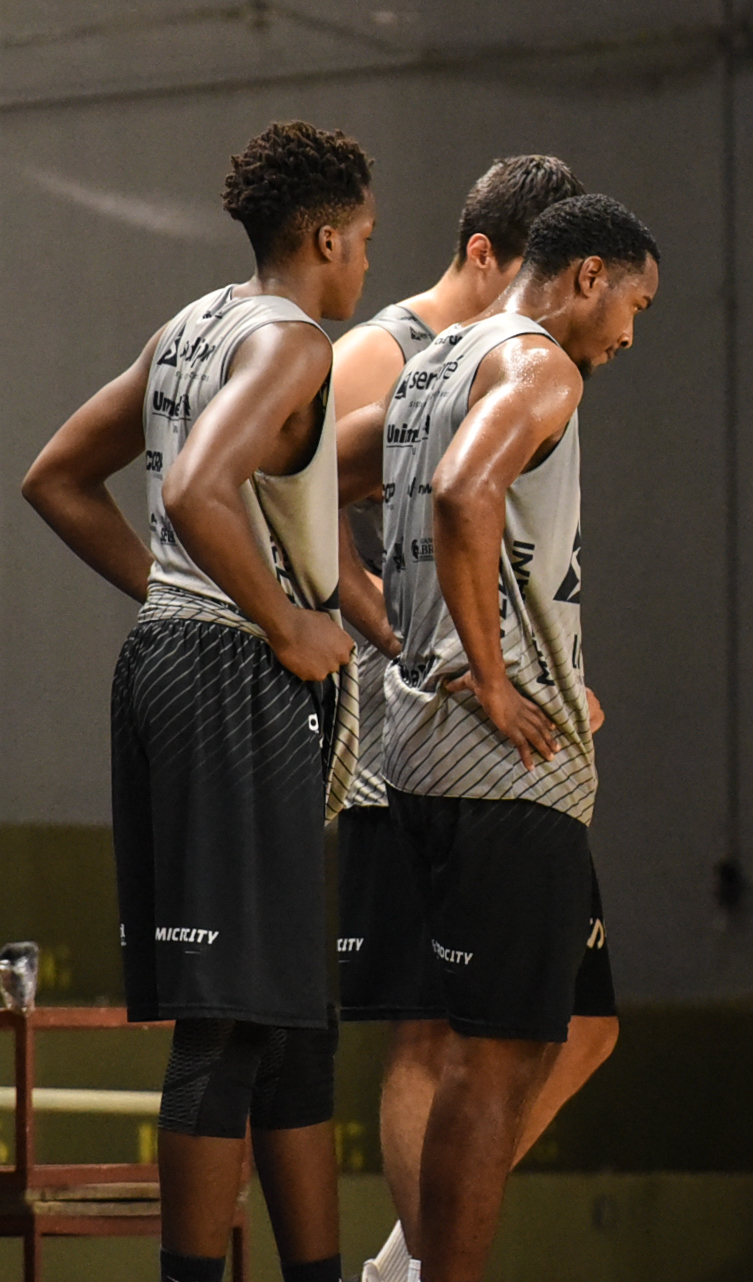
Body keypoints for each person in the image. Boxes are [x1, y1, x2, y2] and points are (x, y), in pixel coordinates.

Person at [21, 120, 375, 1282]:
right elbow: (192, 483)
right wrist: (286, 622)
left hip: (187, 660)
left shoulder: (189, 325)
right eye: (365, 240)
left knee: (292, 1022)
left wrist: (169, 589)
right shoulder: (293, 343)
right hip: (231, 675)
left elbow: (57, 477)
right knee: (227, 1021)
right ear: (325, 236)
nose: (367, 260)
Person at [333, 192, 659, 1282]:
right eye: (633, 304)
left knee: (531, 1037)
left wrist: (427, 642)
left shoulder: (432, 365)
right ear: (586, 275)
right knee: (494, 1057)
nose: (628, 333)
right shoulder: (539, 365)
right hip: (498, 765)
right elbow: (470, 494)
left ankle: (412, 1259)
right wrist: (492, 671)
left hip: (415, 751)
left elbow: (307, 471)